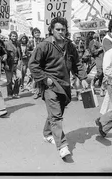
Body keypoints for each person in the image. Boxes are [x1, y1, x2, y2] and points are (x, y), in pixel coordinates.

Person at [29, 17, 88, 159]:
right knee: (56, 116)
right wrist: (45, 79)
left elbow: (77, 63)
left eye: (63, 29)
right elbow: (33, 65)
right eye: (58, 29)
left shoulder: (70, 45)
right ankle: (62, 146)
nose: (61, 32)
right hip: (50, 85)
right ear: (52, 30)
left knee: (57, 112)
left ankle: (47, 133)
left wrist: (83, 78)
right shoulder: (44, 45)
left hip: (65, 85)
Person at [27, 27, 44, 99]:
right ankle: (36, 92)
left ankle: (42, 92)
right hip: (34, 61)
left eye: (38, 33)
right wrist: (33, 52)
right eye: (35, 33)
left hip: (42, 61)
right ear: (33, 34)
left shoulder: (43, 40)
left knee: (43, 76)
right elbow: (27, 51)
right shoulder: (30, 41)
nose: (37, 34)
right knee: (35, 77)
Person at [4, 31, 22, 98]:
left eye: (15, 36)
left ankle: (15, 93)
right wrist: (5, 64)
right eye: (13, 36)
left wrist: (20, 60)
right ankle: (9, 94)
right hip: (9, 64)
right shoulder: (6, 44)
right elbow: (4, 55)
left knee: (19, 78)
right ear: (10, 36)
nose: (14, 37)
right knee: (9, 80)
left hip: (17, 64)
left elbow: (20, 53)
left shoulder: (18, 43)